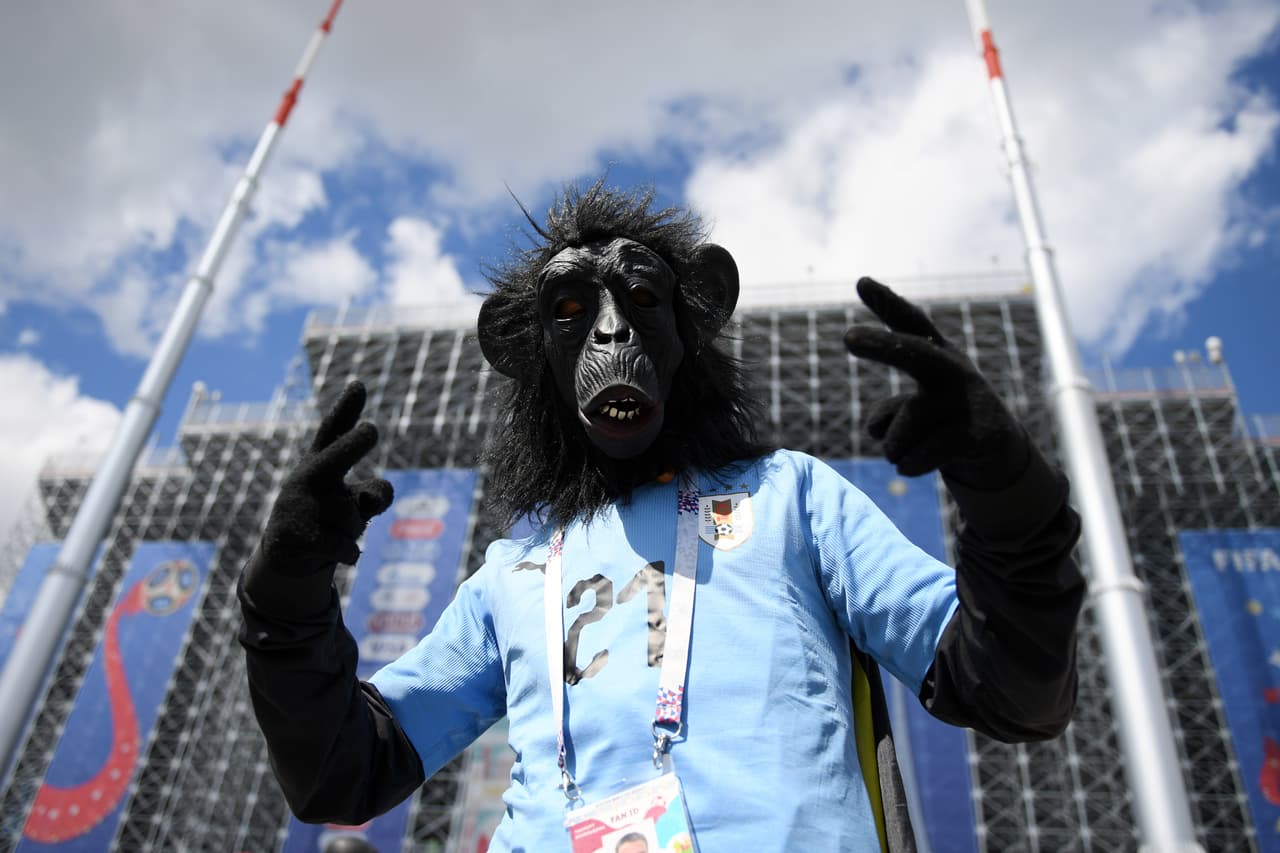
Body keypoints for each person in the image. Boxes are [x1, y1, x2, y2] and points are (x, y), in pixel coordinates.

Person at [238, 183, 1083, 852]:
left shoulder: (789, 495)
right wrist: (284, 596)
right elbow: (343, 770)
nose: (611, 329)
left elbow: (1011, 686)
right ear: (533, 355)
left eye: (640, 296)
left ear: (694, 317)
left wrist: (1005, 488)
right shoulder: (516, 571)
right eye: (572, 311)